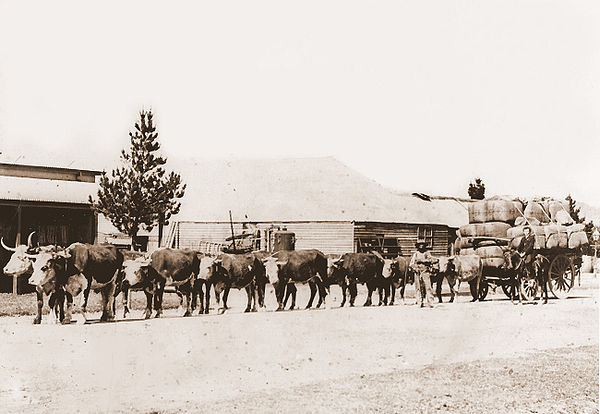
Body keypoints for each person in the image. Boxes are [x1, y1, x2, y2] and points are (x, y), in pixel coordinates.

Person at [409, 241, 437, 308]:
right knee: (418, 287)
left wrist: (423, 261)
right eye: (420, 245)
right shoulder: (415, 254)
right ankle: (419, 302)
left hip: (425, 271)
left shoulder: (427, 253)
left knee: (428, 287)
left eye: (423, 245)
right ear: (418, 246)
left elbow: (432, 260)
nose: (421, 246)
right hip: (417, 272)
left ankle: (430, 302)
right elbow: (411, 264)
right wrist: (415, 268)